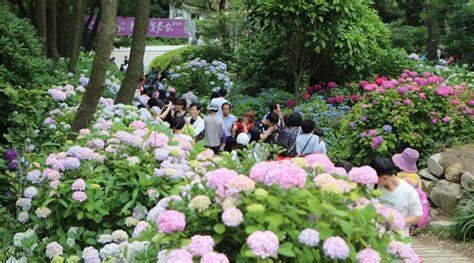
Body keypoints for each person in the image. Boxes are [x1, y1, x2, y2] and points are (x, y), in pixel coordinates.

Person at [370, 156, 423, 240]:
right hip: (377, 241)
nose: (373, 180)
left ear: (384, 178)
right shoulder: (373, 186)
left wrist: (398, 222)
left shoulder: (408, 191)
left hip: (399, 241)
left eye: (375, 178)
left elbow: (418, 216)